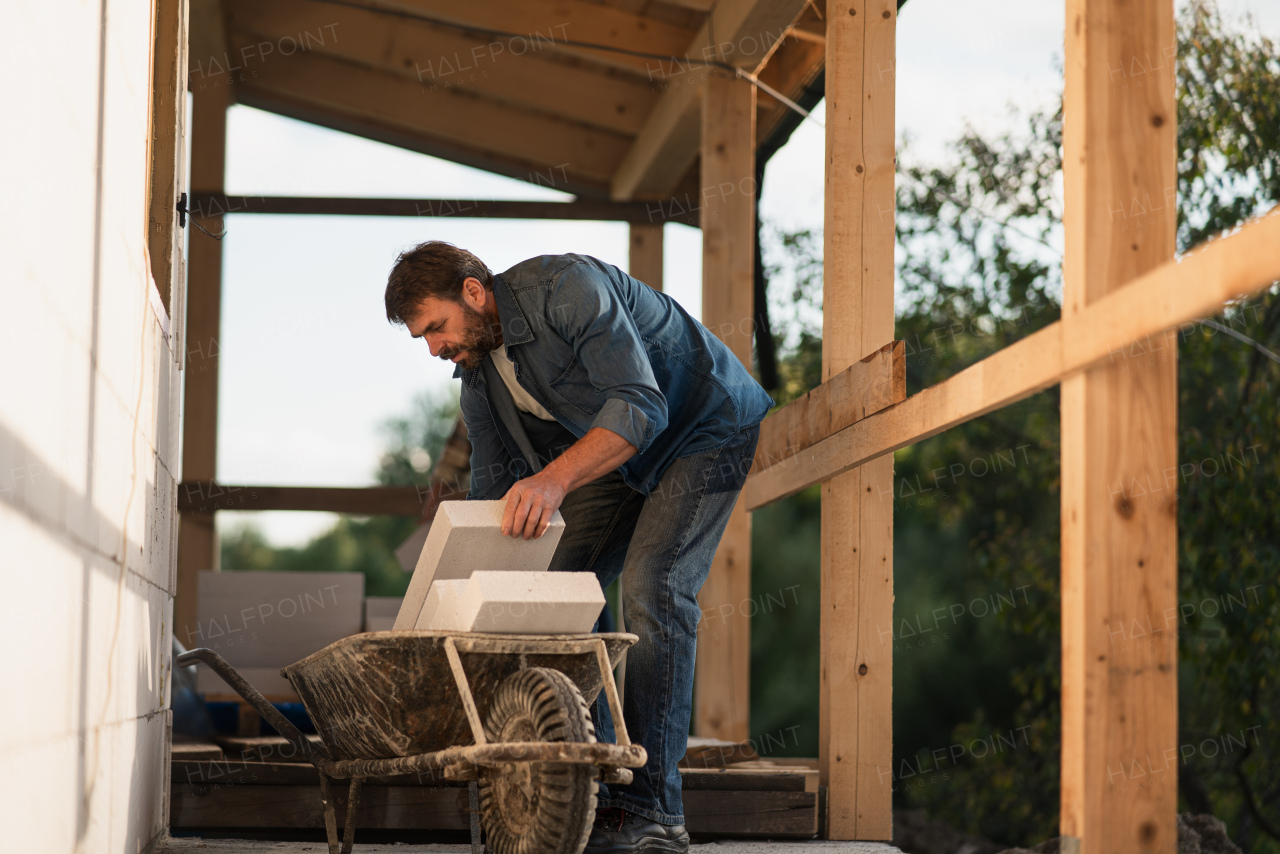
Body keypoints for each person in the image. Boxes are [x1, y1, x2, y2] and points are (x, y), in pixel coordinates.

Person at [384, 242, 773, 854]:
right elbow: (490, 510)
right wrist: (459, 608)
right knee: (551, 590)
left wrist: (553, 478)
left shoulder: (566, 287)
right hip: (616, 458)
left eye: (436, 327)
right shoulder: (478, 384)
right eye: (422, 339)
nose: (434, 347)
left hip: (702, 427)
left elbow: (641, 405)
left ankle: (654, 811)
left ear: (473, 292)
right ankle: (590, 784)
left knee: (653, 585)